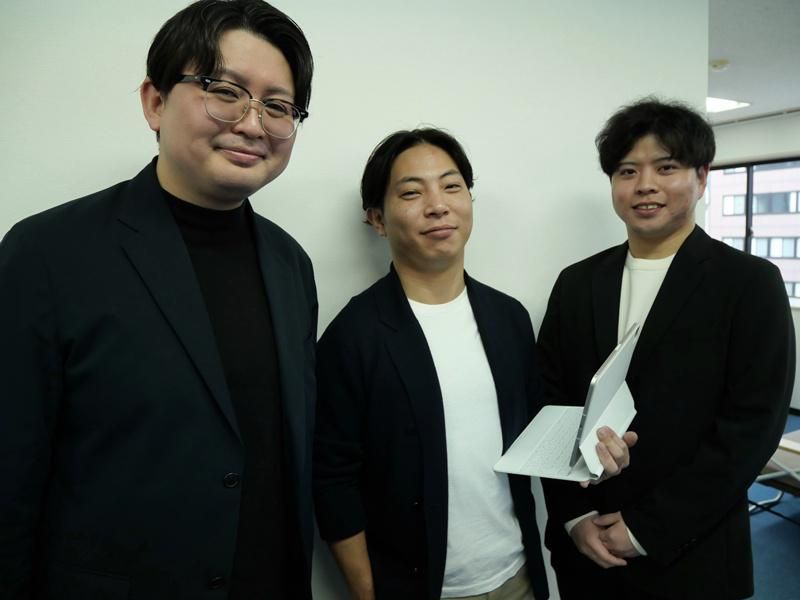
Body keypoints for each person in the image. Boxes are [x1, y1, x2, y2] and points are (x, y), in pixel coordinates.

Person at [0, 1, 317, 597]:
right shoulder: (46, 252)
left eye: (278, 106)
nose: (253, 124)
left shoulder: (291, 264)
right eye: (226, 91)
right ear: (155, 101)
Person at [313, 128, 635, 600]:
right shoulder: (354, 335)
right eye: (411, 193)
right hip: (418, 587)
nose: (438, 205)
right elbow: (332, 478)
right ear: (377, 219)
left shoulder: (508, 317)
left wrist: (595, 453)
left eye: (451, 186)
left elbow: (538, 433)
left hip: (517, 578)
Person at [537, 98, 796, 600]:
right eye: (627, 171)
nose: (645, 184)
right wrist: (574, 515)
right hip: (587, 550)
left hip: (692, 553)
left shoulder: (748, 283)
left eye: (666, 167)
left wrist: (645, 528)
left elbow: (753, 427)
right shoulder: (577, 282)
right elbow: (549, 400)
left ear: (702, 177)